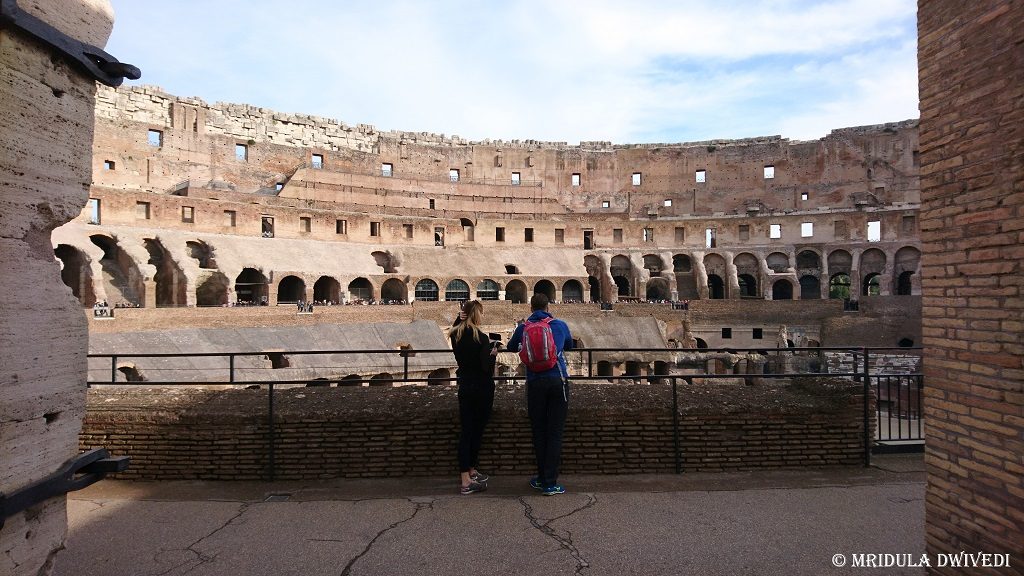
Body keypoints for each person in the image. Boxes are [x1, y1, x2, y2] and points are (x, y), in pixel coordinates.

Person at [507, 293, 574, 496]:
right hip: (557, 381)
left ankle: (540, 478)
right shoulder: (559, 325)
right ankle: (550, 482)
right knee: (554, 431)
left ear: (531, 308)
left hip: (535, 382)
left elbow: (511, 347)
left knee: (539, 431)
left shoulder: (523, 328)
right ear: (547, 306)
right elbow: (569, 345)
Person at [449, 300, 498, 495]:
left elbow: (455, 328)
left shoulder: (455, 335)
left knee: (467, 431)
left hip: (466, 387)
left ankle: (469, 472)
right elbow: (485, 367)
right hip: (482, 388)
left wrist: (457, 318)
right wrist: (493, 353)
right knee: (476, 431)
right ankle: (466, 481)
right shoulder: (482, 337)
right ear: (477, 315)